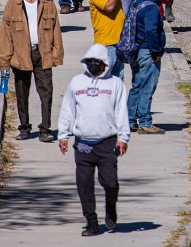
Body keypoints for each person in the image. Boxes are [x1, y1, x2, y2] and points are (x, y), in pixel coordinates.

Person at [57, 44, 130, 237]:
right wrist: (63, 135)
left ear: (105, 64)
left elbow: (122, 112)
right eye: (89, 63)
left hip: (107, 142)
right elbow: (67, 109)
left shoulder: (115, 84)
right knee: (84, 184)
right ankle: (91, 222)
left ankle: (111, 208)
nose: (93, 66)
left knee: (110, 183)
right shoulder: (76, 83)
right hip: (83, 144)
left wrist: (123, 137)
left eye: (96, 63)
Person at [0, 0, 64, 142]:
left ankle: (45, 129)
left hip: (42, 53)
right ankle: (25, 127)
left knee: (46, 91)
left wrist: (57, 54)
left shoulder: (48, 3)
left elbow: (56, 30)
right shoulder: (13, 4)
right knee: (22, 92)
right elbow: (5, 35)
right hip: (20, 55)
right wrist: (4, 61)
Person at [126, 0, 168, 134]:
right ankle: (145, 122)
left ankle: (130, 121)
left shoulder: (138, 1)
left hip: (136, 50)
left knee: (136, 86)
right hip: (147, 52)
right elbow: (151, 31)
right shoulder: (151, 8)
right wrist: (156, 51)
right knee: (147, 88)